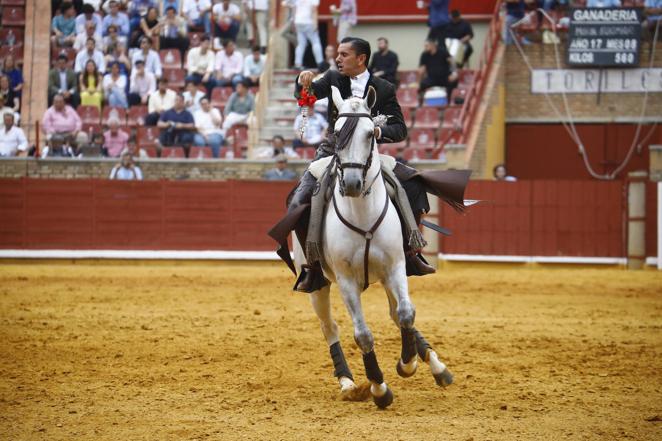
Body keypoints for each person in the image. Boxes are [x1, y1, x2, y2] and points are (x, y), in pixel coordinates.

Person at [281, 37, 436, 292]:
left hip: (368, 153)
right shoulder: (332, 78)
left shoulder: (383, 88)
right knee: (298, 201)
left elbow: (399, 129)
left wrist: (377, 131)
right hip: (333, 151)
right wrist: (302, 83)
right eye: (338, 54)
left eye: (344, 54)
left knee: (414, 187)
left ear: (360, 58)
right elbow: (307, 98)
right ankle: (314, 265)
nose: (338, 59)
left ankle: (410, 253)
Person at [293, 0, 323, 69]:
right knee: (315, 42)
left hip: (298, 21)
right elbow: (314, 10)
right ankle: (320, 63)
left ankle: (297, 64)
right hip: (308, 21)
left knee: (301, 44)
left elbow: (294, 9)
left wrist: (294, 22)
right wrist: (315, 23)